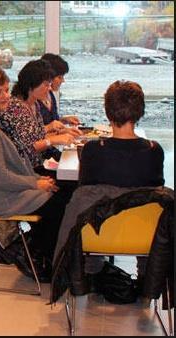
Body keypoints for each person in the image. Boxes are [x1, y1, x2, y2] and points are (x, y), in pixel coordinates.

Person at [0, 67, 74, 282]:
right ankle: (45, 260)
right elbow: (0, 177)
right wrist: (35, 184)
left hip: (5, 187)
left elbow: (10, 167)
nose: (6, 96)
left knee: (62, 193)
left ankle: (45, 254)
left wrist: (36, 180)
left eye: (6, 90)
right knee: (59, 204)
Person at [77, 80, 165, 278]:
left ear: (108, 113)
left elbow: (83, 192)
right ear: (140, 112)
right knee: (146, 204)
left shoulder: (92, 150)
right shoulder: (154, 150)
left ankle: (91, 274)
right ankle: (145, 278)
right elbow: (157, 194)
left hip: (97, 235)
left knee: (91, 205)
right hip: (144, 236)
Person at [6, 59, 78, 170]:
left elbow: (38, 135)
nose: (49, 88)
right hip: (26, 170)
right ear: (31, 85)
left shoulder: (34, 103)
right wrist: (54, 140)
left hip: (39, 163)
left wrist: (62, 133)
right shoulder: (17, 108)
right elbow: (27, 149)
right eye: (46, 84)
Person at [39, 53, 80, 126]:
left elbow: (52, 123)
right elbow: (33, 132)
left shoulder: (50, 95)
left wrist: (64, 120)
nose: (63, 81)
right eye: (60, 77)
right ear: (48, 77)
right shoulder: (34, 100)